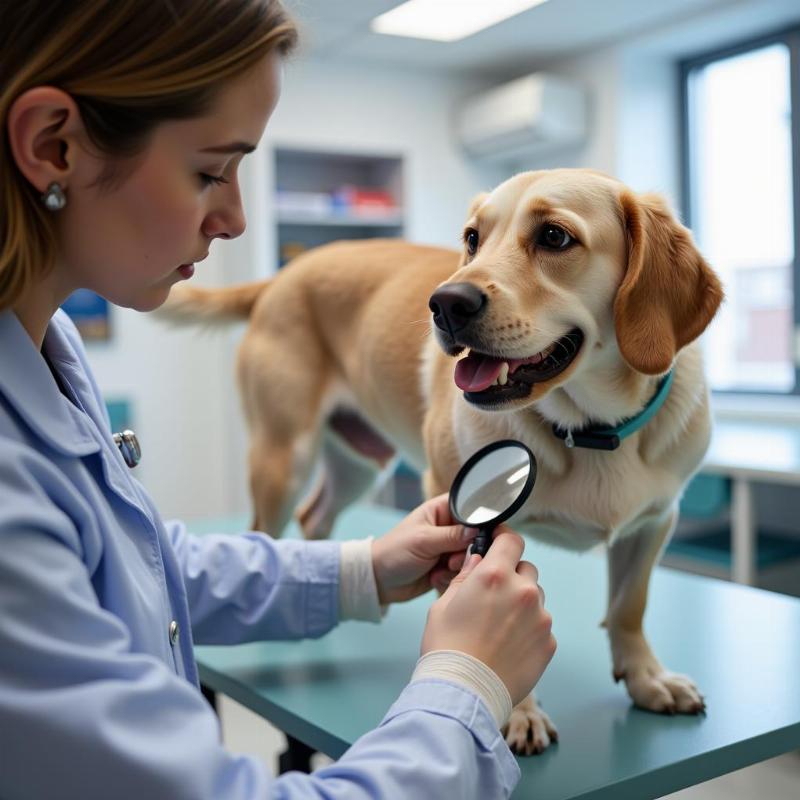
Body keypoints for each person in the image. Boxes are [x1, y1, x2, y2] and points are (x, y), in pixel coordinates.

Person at [0, 1, 557, 798]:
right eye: (209, 171)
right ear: (53, 145)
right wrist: (465, 684)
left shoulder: (48, 349)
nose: (233, 219)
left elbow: (129, 567)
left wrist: (364, 569)